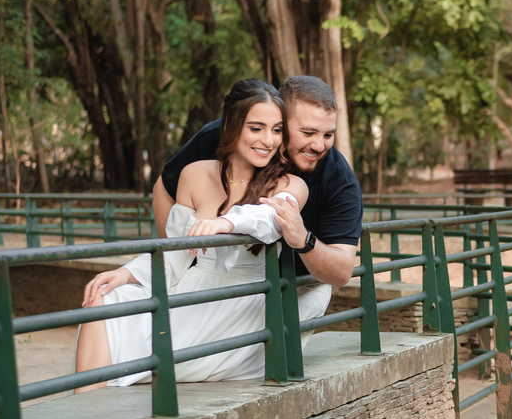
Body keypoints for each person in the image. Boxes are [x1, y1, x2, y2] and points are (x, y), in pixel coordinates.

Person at [74, 79, 333, 389]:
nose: (268, 140)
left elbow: (269, 219)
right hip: (193, 290)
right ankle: (89, 418)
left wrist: (226, 223)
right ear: (232, 127)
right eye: (256, 128)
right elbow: (177, 254)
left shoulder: (290, 185)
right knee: (103, 301)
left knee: (147, 357)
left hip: (245, 304)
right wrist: (126, 273)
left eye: (277, 130)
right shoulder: (195, 174)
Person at [152, 75, 361, 290]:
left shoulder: (338, 180)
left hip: (302, 283)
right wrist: (178, 266)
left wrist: (304, 240)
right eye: (308, 133)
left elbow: (342, 271)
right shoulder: (227, 136)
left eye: (328, 135)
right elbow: (165, 188)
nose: (319, 145)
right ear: (280, 119)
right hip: (220, 277)